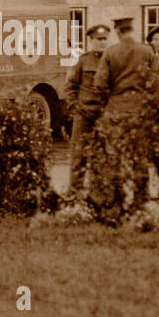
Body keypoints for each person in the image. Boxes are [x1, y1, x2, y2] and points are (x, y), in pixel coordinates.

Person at [64, 23, 109, 191]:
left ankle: (97, 192)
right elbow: (70, 86)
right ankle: (74, 191)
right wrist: (75, 107)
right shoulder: (82, 60)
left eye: (104, 39)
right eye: (98, 39)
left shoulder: (110, 60)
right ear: (91, 40)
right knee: (78, 154)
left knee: (101, 155)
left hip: (102, 116)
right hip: (83, 115)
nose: (102, 43)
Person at [93, 16, 155, 119]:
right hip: (140, 109)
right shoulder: (147, 51)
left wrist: (109, 98)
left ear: (118, 32)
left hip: (116, 109)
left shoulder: (110, 52)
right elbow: (156, 80)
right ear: (132, 30)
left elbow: (100, 84)